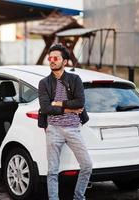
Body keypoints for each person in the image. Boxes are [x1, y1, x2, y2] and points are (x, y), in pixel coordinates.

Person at [38, 43, 92, 200]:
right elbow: (46, 108)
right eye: (50, 58)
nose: (52, 61)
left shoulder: (75, 79)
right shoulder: (44, 83)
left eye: (56, 58)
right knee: (52, 170)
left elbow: (80, 103)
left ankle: (78, 197)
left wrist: (58, 103)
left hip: (72, 128)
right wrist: (68, 109)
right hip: (53, 129)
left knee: (87, 165)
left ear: (65, 61)